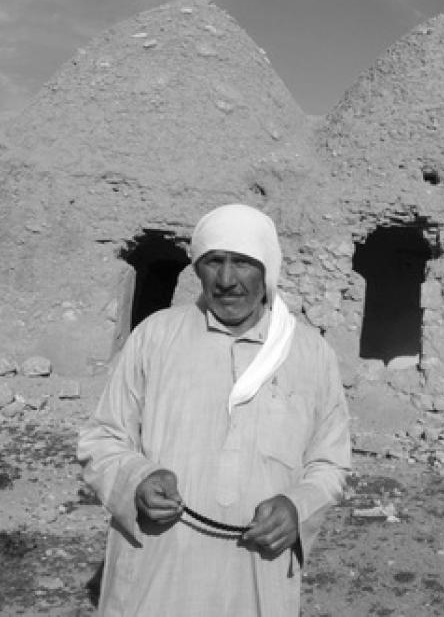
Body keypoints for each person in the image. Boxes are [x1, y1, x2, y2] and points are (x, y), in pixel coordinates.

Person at [78, 204, 351, 616]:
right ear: (197, 270)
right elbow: (102, 439)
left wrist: (299, 506)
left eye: (242, 263)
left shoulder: (311, 354)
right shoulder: (155, 336)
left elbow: (329, 464)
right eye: (213, 263)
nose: (226, 280)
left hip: (257, 575)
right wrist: (137, 480)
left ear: (267, 269)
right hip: (157, 571)